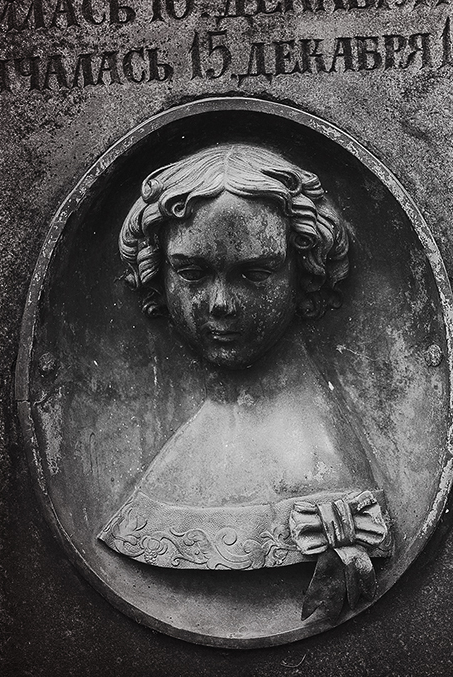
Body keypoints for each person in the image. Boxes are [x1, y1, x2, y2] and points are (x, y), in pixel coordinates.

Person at [98, 144, 391, 621]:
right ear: (156, 273)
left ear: (305, 273)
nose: (220, 304)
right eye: (191, 273)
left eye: (254, 273)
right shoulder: (191, 439)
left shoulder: (323, 457)